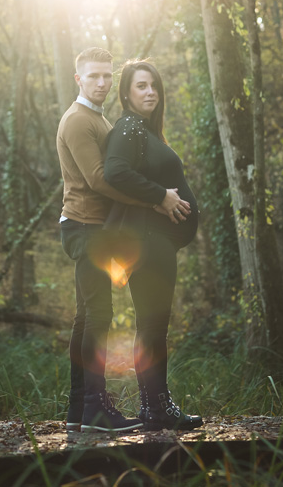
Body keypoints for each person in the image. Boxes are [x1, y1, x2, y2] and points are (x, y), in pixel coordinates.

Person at [56, 47, 191, 432]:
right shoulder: (78, 120)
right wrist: (158, 199)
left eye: (106, 76)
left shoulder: (98, 119)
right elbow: (100, 179)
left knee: (87, 318)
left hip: (95, 226)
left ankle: (80, 410)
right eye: (93, 76)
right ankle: (95, 409)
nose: (101, 82)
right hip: (86, 225)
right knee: (98, 317)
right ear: (78, 79)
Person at [104, 59, 203, 432]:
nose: (150, 92)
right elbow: (115, 171)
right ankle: (158, 408)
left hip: (154, 241)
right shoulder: (128, 127)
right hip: (146, 240)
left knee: (152, 324)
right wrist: (161, 196)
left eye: (153, 85)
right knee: (153, 324)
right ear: (126, 93)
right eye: (141, 86)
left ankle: (152, 407)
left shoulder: (143, 130)